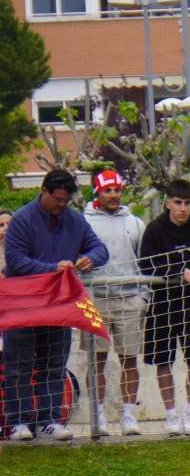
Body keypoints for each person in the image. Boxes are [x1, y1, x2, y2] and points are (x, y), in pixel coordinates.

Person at [3, 168, 108, 442]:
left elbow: (100, 249)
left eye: (66, 201)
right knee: (19, 365)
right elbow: (15, 260)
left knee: (54, 363)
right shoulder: (22, 220)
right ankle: (18, 421)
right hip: (23, 304)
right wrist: (53, 267)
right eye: (58, 199)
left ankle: (49, 419)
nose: (61, 205)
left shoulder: (75, 221)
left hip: (58, 306)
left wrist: (91, 258)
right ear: (44, 192)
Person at [138, 179, 190, 436]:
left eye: (187, 203)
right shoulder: (154, 229)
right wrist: (180, 271)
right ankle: (170, 414)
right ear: (168, 202)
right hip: (161, 304)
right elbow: (148, 264)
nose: (182, 208)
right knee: (163, 361)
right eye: (178, 202)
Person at [83, 169, 147, 436]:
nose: (113, 195)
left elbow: (145, 259)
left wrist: (143, 295)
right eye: (108, 190)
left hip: (129, 298)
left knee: (129, 359)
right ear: (98, 191)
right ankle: (98, 414)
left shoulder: (135, 222)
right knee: (95, 359)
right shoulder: (83, 221)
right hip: (95, 298)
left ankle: (129, 414)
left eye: (117, 190)